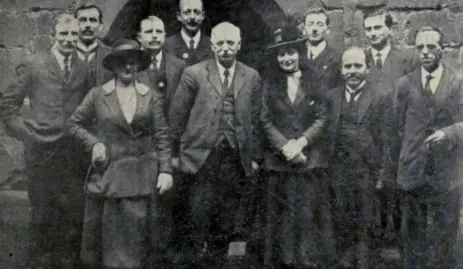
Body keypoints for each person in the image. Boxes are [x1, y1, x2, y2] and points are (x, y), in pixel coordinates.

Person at [68, 39, 174, 269]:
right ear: (114, 66)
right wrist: (94, 144)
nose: (128, 67)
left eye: (133, 62)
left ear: (139, 65)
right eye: (123, 62)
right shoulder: (98, 94)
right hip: (110, 176)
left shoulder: (151, 96)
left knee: (141, 245)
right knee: (112, 246)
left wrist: (165, 170)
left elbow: (162, 135)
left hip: (143, 177)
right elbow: (74, 124)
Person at [383, 26, 463, 269]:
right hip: (413, 169)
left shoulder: (459, 82)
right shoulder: (404, 84)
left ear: (442, 49)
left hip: (447, 171)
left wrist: (448, 133)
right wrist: (397, 165)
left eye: (431, 47)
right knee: (413, 234)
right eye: (420, 48)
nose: (425, 52)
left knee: (444, 232)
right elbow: (394, 128)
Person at [169, 21, 263, 268]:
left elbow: (257, 119)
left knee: (228, 215)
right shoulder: (194, 73)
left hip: (235, 156)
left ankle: (219, 262)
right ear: (212, 46)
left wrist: (254, 157)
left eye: (230, 42)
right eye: (219, 43)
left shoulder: (251, 76)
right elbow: (177, 116)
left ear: (239, 45)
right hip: (201, 156)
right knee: (198, 213)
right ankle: (197, 262)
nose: (225, 48)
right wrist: (175, 153)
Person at [0, 14, 89, 269]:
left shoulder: (83, 67)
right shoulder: (34, 63)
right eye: (64, 35)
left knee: (72, 217)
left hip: (71, 153)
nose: (69, 40)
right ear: (53, 35)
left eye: (74, 35)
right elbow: (8, 105)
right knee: (42, 215)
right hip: (41, 153)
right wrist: (28, 135)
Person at [260, 23, 335, 269]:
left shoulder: (313, 81)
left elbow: (322, 117)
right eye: (281, 54)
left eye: (291, 52)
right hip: (279, 163)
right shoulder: (269, 84)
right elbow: (265, 120)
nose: (287, 58)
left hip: (309, 161)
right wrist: (285, 147)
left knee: (306, 216)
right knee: (280, 218)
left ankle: (307, 262)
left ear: (299, 53)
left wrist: (301, 142)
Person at [325, 46, 390, 269]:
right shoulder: (331, 97)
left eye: (358, 66)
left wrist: (381, 174)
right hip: (337, 170)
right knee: (340, 218)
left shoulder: (381, 97)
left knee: (365, 222)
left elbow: (387, 138)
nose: (352, 71)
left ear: (368, 69)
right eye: (348, 66)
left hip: (366, 170)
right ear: (341, 70)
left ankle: (364, 263)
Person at [362, 8, 417, 250]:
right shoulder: (359, 59)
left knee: (396, 190)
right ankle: (371, 243)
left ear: (389, 29)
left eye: (377, 28)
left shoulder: (407, 59)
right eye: (368, 29)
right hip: (368, 138)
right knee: (370, 191)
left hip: (398, 136)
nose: (373, 33)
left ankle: (396, 243)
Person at [136, 15, 186, 114]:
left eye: (159, 32)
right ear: (139, 37)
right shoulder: (130, 64)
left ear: (164, 36)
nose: (154, 35)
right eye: (149, 32)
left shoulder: (179, 65)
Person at [164, 0, 213, 65]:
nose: (192, 17)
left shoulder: (212, 45)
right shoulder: (167, 45)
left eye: (197, 12)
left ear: (203, 16)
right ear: (179, 16)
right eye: (187, 12)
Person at [74, 2, 112, 88]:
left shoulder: (111, 55)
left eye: (93, 20)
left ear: (100, 26)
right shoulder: (64, 54)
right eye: (83, 20)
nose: (88, 25)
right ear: (75, 24)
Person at [303, 7, 341, 91]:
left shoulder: (337, 59)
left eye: (319, 24)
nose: (314, 29)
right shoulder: (297, 56)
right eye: (310, 24)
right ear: (304, 30)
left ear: (327, 30)